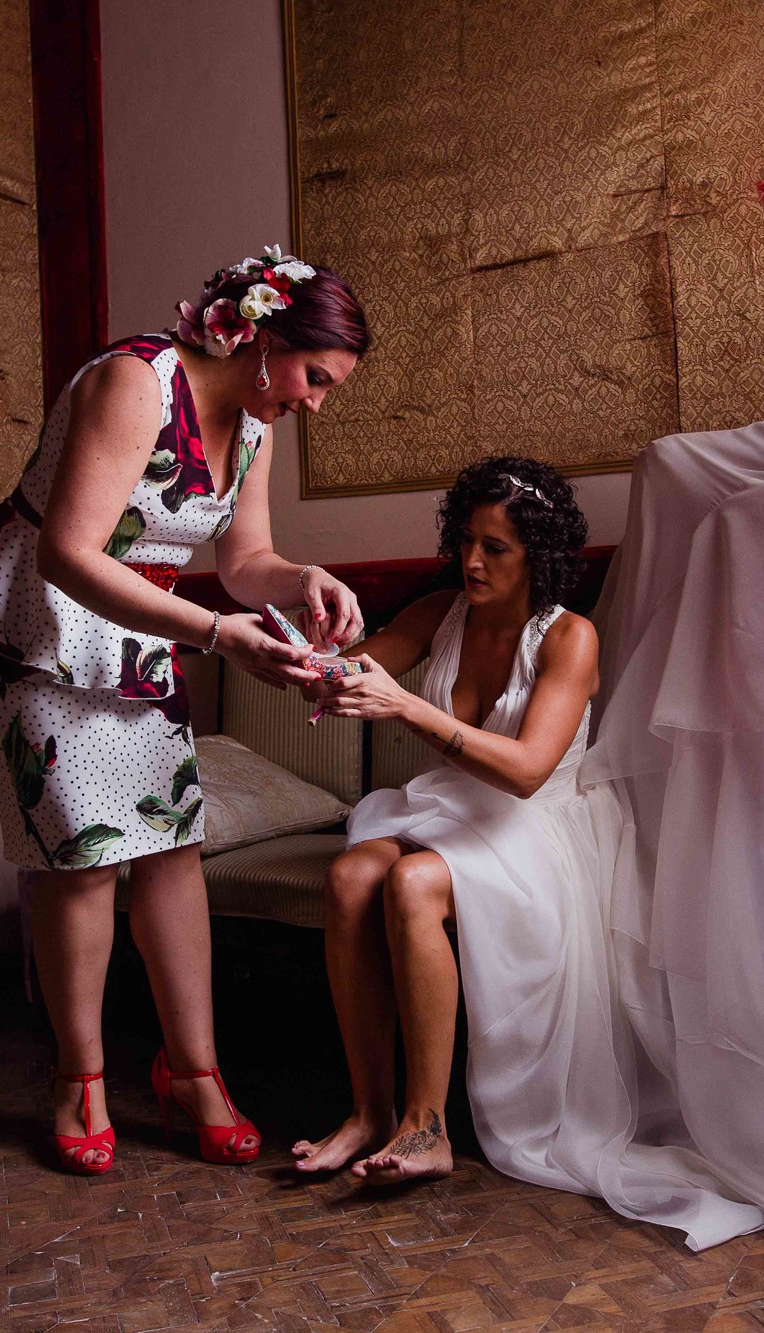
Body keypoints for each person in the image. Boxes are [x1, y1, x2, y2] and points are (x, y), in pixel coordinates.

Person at [0, 247, 369, 1174]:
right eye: (313, 377)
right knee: (83, 851)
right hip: (30, 623)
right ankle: (78, 1075)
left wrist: (304, 578)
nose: (315, 400)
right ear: (263, 336)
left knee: (171, 842)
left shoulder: (254, 425)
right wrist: (217, 634)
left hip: (140, 628)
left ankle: (194, 1071)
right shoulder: (134, 383)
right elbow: (70, 556)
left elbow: (246, 564)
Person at [291, 457, 614, 1183]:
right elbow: (349, 672)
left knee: (411, 884)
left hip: (532, 827)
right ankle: (367, 1110)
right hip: (449, 807)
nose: (471, 560)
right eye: (465, 539)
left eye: (495, 548)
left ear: (538, 552)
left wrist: (408, 705)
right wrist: (316, 654)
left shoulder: (569, 638)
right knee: (349, 876)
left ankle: (425, 1124)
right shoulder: (440, 613)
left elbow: (530, 771)